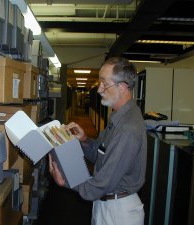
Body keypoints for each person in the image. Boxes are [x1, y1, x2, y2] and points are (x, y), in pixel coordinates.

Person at [49, 57, 147, 225]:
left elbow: (102, 184)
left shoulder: (128, 128)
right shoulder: (119, 118)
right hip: (107, 204)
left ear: (122, 86)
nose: (100, 89)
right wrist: (85, 140)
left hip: (118, 213)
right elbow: (101, 155)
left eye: (104, 83)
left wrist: (66, 182)